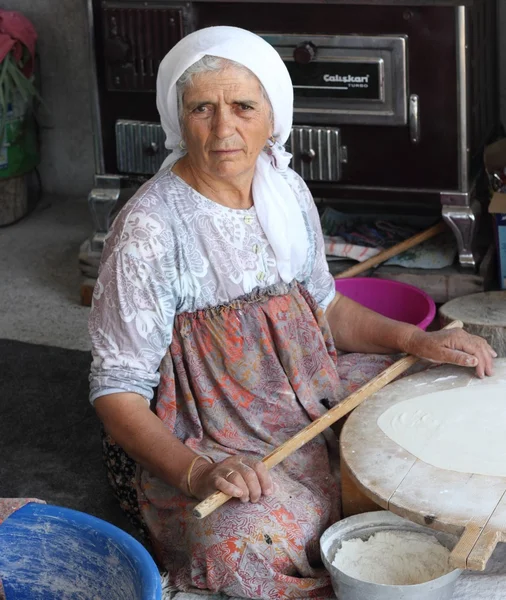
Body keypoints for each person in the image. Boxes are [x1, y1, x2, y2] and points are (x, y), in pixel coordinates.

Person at [89, 26, 496, 599]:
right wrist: (199, 473)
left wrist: (414, 340)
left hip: (314, 393)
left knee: (443, 387)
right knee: (244, 539)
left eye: (242, 106)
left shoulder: (285, 189)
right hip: (214, 441)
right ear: (177, 120)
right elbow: (117, 394)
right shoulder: (150, 230)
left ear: (273, 115)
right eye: (202, 108)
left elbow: (324, 309)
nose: (224, 128)